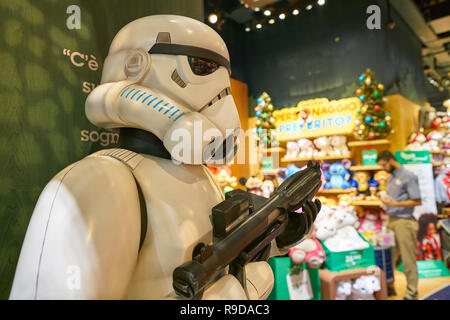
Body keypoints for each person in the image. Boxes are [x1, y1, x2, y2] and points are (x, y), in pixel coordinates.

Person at [377, 150, 422, 300]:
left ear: (390, 160)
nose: (383, 168)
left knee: (408, 258)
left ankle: (411, 293)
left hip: (404, 223)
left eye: (384, 165)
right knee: (388, 254)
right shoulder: (391, 177)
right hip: (391, 221)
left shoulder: (408, 176)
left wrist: (395, 203)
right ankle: (389, 288)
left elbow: (417, 200)